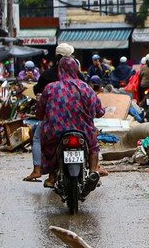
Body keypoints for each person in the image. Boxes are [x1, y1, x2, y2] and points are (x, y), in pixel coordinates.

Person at [39, 56, 109, 188]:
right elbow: (99, 111)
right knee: (93, 145)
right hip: (83, 131)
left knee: (48, 145)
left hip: (55, 132)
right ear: (76, 70)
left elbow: (39, 112)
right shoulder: (86, 88)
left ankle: (52, 176)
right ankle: (94, 172)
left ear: (60, 70)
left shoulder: (50, 88)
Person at [24, 42, 74, 182]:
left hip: (53, 120)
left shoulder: (48, 82)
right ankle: (95, 167)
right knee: (92, 136)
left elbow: (39, 101)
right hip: (77, 120)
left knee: (39, 137)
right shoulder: (80, 81)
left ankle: (37, 170)